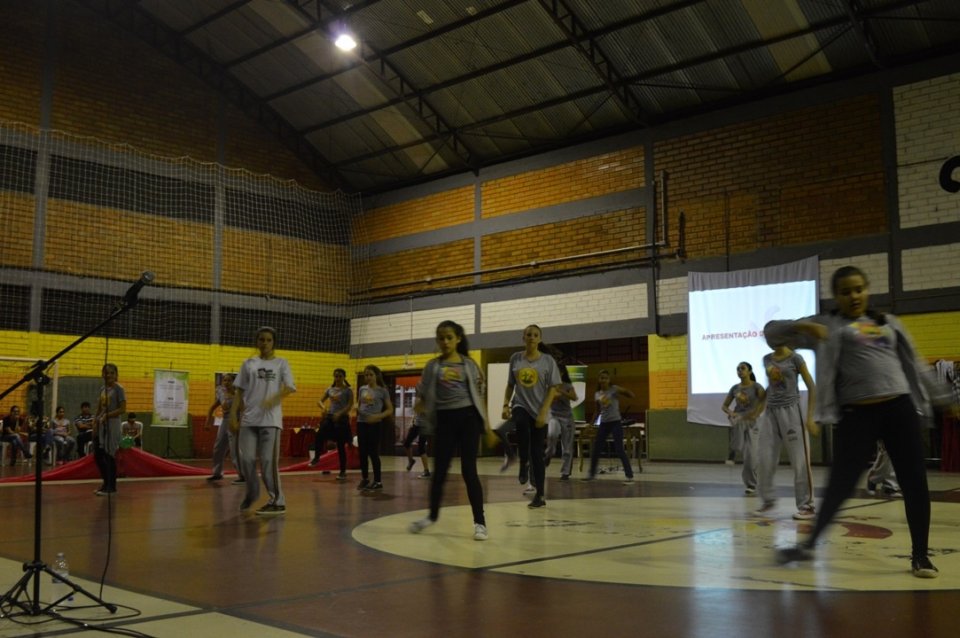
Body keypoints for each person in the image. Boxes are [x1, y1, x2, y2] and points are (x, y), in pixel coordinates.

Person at [768, 265, 958, 578]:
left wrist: (947, 400)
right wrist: (805, 326)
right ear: (836, 296)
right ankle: (808, 545)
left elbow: (918, 366)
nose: (853, 296)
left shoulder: (888, 323)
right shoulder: (826, 326)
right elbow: (770, 332)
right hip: (857, 416)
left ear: (867, 290)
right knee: (840, 486)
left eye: (859, 289)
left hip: (900, 410)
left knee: (914, 485)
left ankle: (921, 556)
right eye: (845, 291)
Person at [409, 320, 491, 540]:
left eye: (449, 337)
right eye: (441, 338)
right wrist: (421, 405)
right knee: (440, 472)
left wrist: (486, 423)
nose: (444, 342)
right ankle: (431, 516)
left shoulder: (469, 365)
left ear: (458, 339)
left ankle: (480, 523)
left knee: (469, 471)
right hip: (444, 421)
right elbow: (423, 395)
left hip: (468, 420)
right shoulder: (432, 366)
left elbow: (478, 396)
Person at [229, 327, 296, 516]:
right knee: (246, 459)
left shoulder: (281, 363)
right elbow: (239, 391)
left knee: (268, 461)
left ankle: (277, 500)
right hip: (249, 420)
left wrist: (274, 398)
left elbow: (290, 387)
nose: (265, 343)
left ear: (274, 342)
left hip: (270, 421)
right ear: (256, 342)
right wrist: (233, 416)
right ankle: (252, 491)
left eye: (268, 340)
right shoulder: (248, 363)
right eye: (261, 339)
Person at [754, 345, 817, 520]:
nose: (769, 340)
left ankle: (807, 505)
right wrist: (758, 408)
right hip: (770, 412)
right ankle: (768, 501)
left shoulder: (795, 359)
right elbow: (771, 387)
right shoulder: (767, 359)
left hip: (791, 411)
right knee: (764, 457)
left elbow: (811, 386)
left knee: (799, 461)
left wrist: (810, 417)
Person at [502, 324, 561, 508]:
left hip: (539, 410)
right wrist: (505, 404)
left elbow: (554, 388)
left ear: (540, 339)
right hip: (520, 405)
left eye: (535, 335)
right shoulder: (515, 359)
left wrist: (544, 411)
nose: (532, 337)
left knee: (537, 453)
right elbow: (510, 385)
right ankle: (523, 463)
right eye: (528, 334)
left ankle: (540, 496)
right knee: (519, 422)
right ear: (523, 338)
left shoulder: (548, 361)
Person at [583, 370, 636, 484]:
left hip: (616, 422)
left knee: (619, 449)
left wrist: (627, 393)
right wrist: (590, 424)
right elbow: (597, 411)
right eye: (601, 378)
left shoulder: (614, 389)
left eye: (606, 378)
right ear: (599, 380)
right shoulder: (597, 394)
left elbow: (629, 394)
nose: (603, 380)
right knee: (596, 449)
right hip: (604, 424)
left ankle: (629, 476)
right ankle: (591, 475)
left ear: (609, 380)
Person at [721, 362, 765, 494]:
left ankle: (751, 484)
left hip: (753, 421)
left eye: (743, 368)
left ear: (750, 371)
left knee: (750, 456)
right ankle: (733, 452)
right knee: (738, 443)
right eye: (738, 369)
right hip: (739, 420)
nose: (740, 371)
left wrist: (756, 413)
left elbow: (764, 401)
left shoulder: (757, 387)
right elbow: (724, 406)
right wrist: (731, 413)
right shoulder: (735, 388)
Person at [309, 368, 353, 481]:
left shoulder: (348, 390)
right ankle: (317, 458)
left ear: (344, 377)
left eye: (340, 376)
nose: (337, 378)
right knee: (319, 435)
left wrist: (340, 413)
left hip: (342, 419)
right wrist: (324, 408)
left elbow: (349, 405)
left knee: (340, 446)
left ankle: (343, 471)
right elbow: (319, 401)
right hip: (330, 417)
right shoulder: (330, 389)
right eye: (336, 376)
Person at [354, 364, 392, 492]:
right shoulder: (362, 389)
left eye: (371, 374)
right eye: (366, 375)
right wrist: (356, 409)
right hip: (361, 423)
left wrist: (377, 417)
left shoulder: (382, 390)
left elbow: (390, 410)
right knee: (362, 453)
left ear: (376, 376)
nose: (368, 377)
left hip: (375, 424)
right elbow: (359, 404)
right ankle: (365, 478)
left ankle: (378, 481)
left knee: (373, 453)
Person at [93, 363, 126, 495]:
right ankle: (105, 482)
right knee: (98, 455)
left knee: (109, 455)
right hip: (102, 424)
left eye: (112, 373)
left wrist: (107, 415)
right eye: (106, 372)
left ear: (116, 375)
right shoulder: (103, 389)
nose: (109, 375)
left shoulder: (119, 389)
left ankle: (111, 487)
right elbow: (99, 408)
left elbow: (122, 409)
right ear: (102, 374)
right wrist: (95, 423)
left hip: (112, 424)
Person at [206, 373, 243, 483]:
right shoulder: (221, 394)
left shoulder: (238, 395)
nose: (226, 383)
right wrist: (208, 421)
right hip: (224, 422)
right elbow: (212, 407)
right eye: (224, 381)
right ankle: (217, 473)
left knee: (234, 451)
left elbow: (244, 411)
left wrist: (239, 424)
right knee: (218, 448)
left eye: (229, 380)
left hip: (234, 422)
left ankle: (243, 476)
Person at [549, 364, 578, 481]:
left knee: (567, 446)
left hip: (567, 417)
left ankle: (565, 472)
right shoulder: (549, 385)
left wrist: (561, 391)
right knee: (551, 435)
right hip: (553, 416)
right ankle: (549, 453)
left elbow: (574, 397)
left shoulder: (567, 386)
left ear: (562, 373)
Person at [402, 408, 431, 479]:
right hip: (416, 424)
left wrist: (422, 410)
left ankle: (426, 471)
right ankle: (411, 461)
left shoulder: (429, 399)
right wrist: (412, 421)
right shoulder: (418, 398)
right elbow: (416, 411)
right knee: (406, 443)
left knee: (421, 448)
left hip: (425, 426)